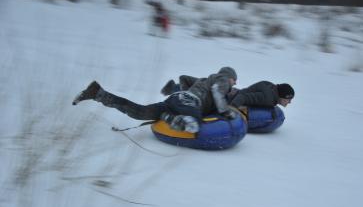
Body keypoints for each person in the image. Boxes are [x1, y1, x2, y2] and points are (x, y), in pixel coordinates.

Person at [72, 67, 238, 133]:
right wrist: (225, 111)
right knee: (194, 126)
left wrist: (181, 93)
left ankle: (97, 93)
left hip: (177, 100)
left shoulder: (203, 80)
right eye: (234, 80)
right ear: (229, 77)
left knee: (140, 112)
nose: (234, 83)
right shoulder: (222, 79)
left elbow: (184, 78)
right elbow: (217, 91)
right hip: (189, 103)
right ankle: (167, 117)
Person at [161, 75, 295, 109]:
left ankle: (175, 86)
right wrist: (231, 111)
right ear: (283, 96)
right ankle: (175, 88)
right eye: (289, 99)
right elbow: (243, 97)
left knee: (206, 84)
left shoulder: (270, 87)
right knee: (203, 91)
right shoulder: (267, 98)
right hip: (231, 97)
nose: (290, 102)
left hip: (234, 92)